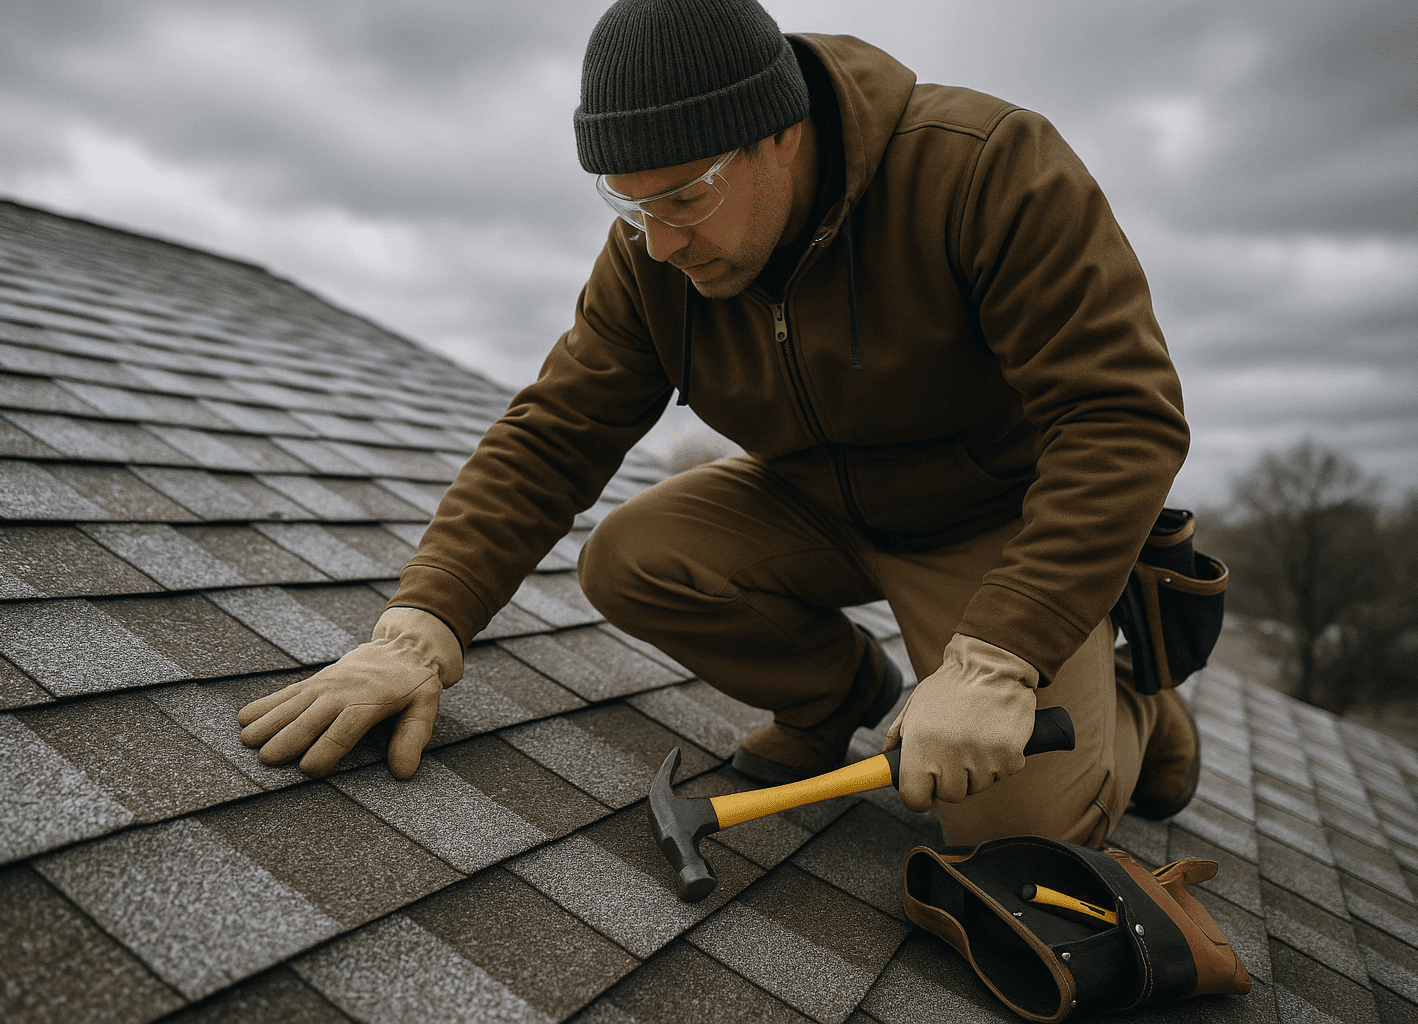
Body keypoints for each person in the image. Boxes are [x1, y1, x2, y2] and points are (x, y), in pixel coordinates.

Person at [237, 0, 1200, 848]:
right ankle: (840, 694)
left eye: (685, 197)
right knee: (631, 556)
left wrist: (1001, 657)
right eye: (628, 204)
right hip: (817, 501)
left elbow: (1121, 416)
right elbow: (556, 431)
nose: (660, 243)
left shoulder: (987, 171)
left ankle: (1135, 706)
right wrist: (418, 628)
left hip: (993, 522)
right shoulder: (654, 256)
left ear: (780, 135)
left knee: (1004, 833)